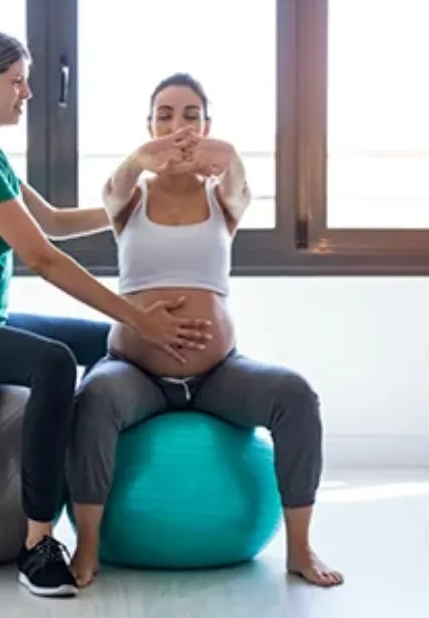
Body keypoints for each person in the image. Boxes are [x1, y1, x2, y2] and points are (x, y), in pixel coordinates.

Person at [0, 30, 212, 598]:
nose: (28, 93)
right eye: (17, 82)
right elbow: (42, 256)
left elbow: (53, 221)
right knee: (54, 363)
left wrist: (134, 202)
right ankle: (38, 541)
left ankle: (102, 471)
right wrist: (138, 316)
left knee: (104, 341)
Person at [65, 73, 345, 589]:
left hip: (218, 374)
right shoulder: (130, 198)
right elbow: (114, 188)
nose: (179, 127)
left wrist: (229, 156)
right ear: (149, 126)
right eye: (165, 115)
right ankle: (87, 547)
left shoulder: (222, 199)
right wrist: (139, 159)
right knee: (94, 398)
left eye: (191, 116)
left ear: (207, 126)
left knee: (295, 395)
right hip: (136, 372)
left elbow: (238, 184)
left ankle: (300, 549)